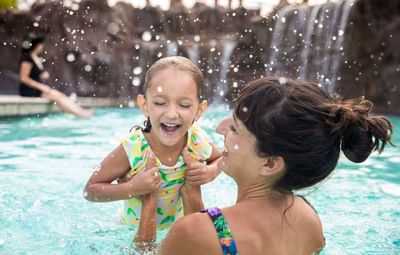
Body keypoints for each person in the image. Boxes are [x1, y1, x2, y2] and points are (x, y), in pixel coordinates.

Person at [137, 76, 392, 255]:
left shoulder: (194, 232)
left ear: (270, 163)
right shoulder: (309, 220)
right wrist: (193, 196)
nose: (220, 128)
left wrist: (149, 203)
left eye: (235, 128)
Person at [83, 56, 221, 245]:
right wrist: (132, 188)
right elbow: (90, 190)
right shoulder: (134, 147)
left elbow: (220, 159)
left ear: (199, 110)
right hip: (131, 231)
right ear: (144, 105)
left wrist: (209, 172)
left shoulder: (196, 140)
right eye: (160, 103)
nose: (172, 113)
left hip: (178, 228)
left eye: (184, 105)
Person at [19, 35, 94, 118]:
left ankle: (80, 111)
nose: (42, 47)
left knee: (60, 95)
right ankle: (80, 114)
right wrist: (41, 87)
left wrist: (43, 75)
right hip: (29, 90)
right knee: (57, 97)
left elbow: (35, 74)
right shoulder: (27, 59)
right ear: (36, 45)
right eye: (41, 44)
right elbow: (24, 78)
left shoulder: (36, 58)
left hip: (38, 89)